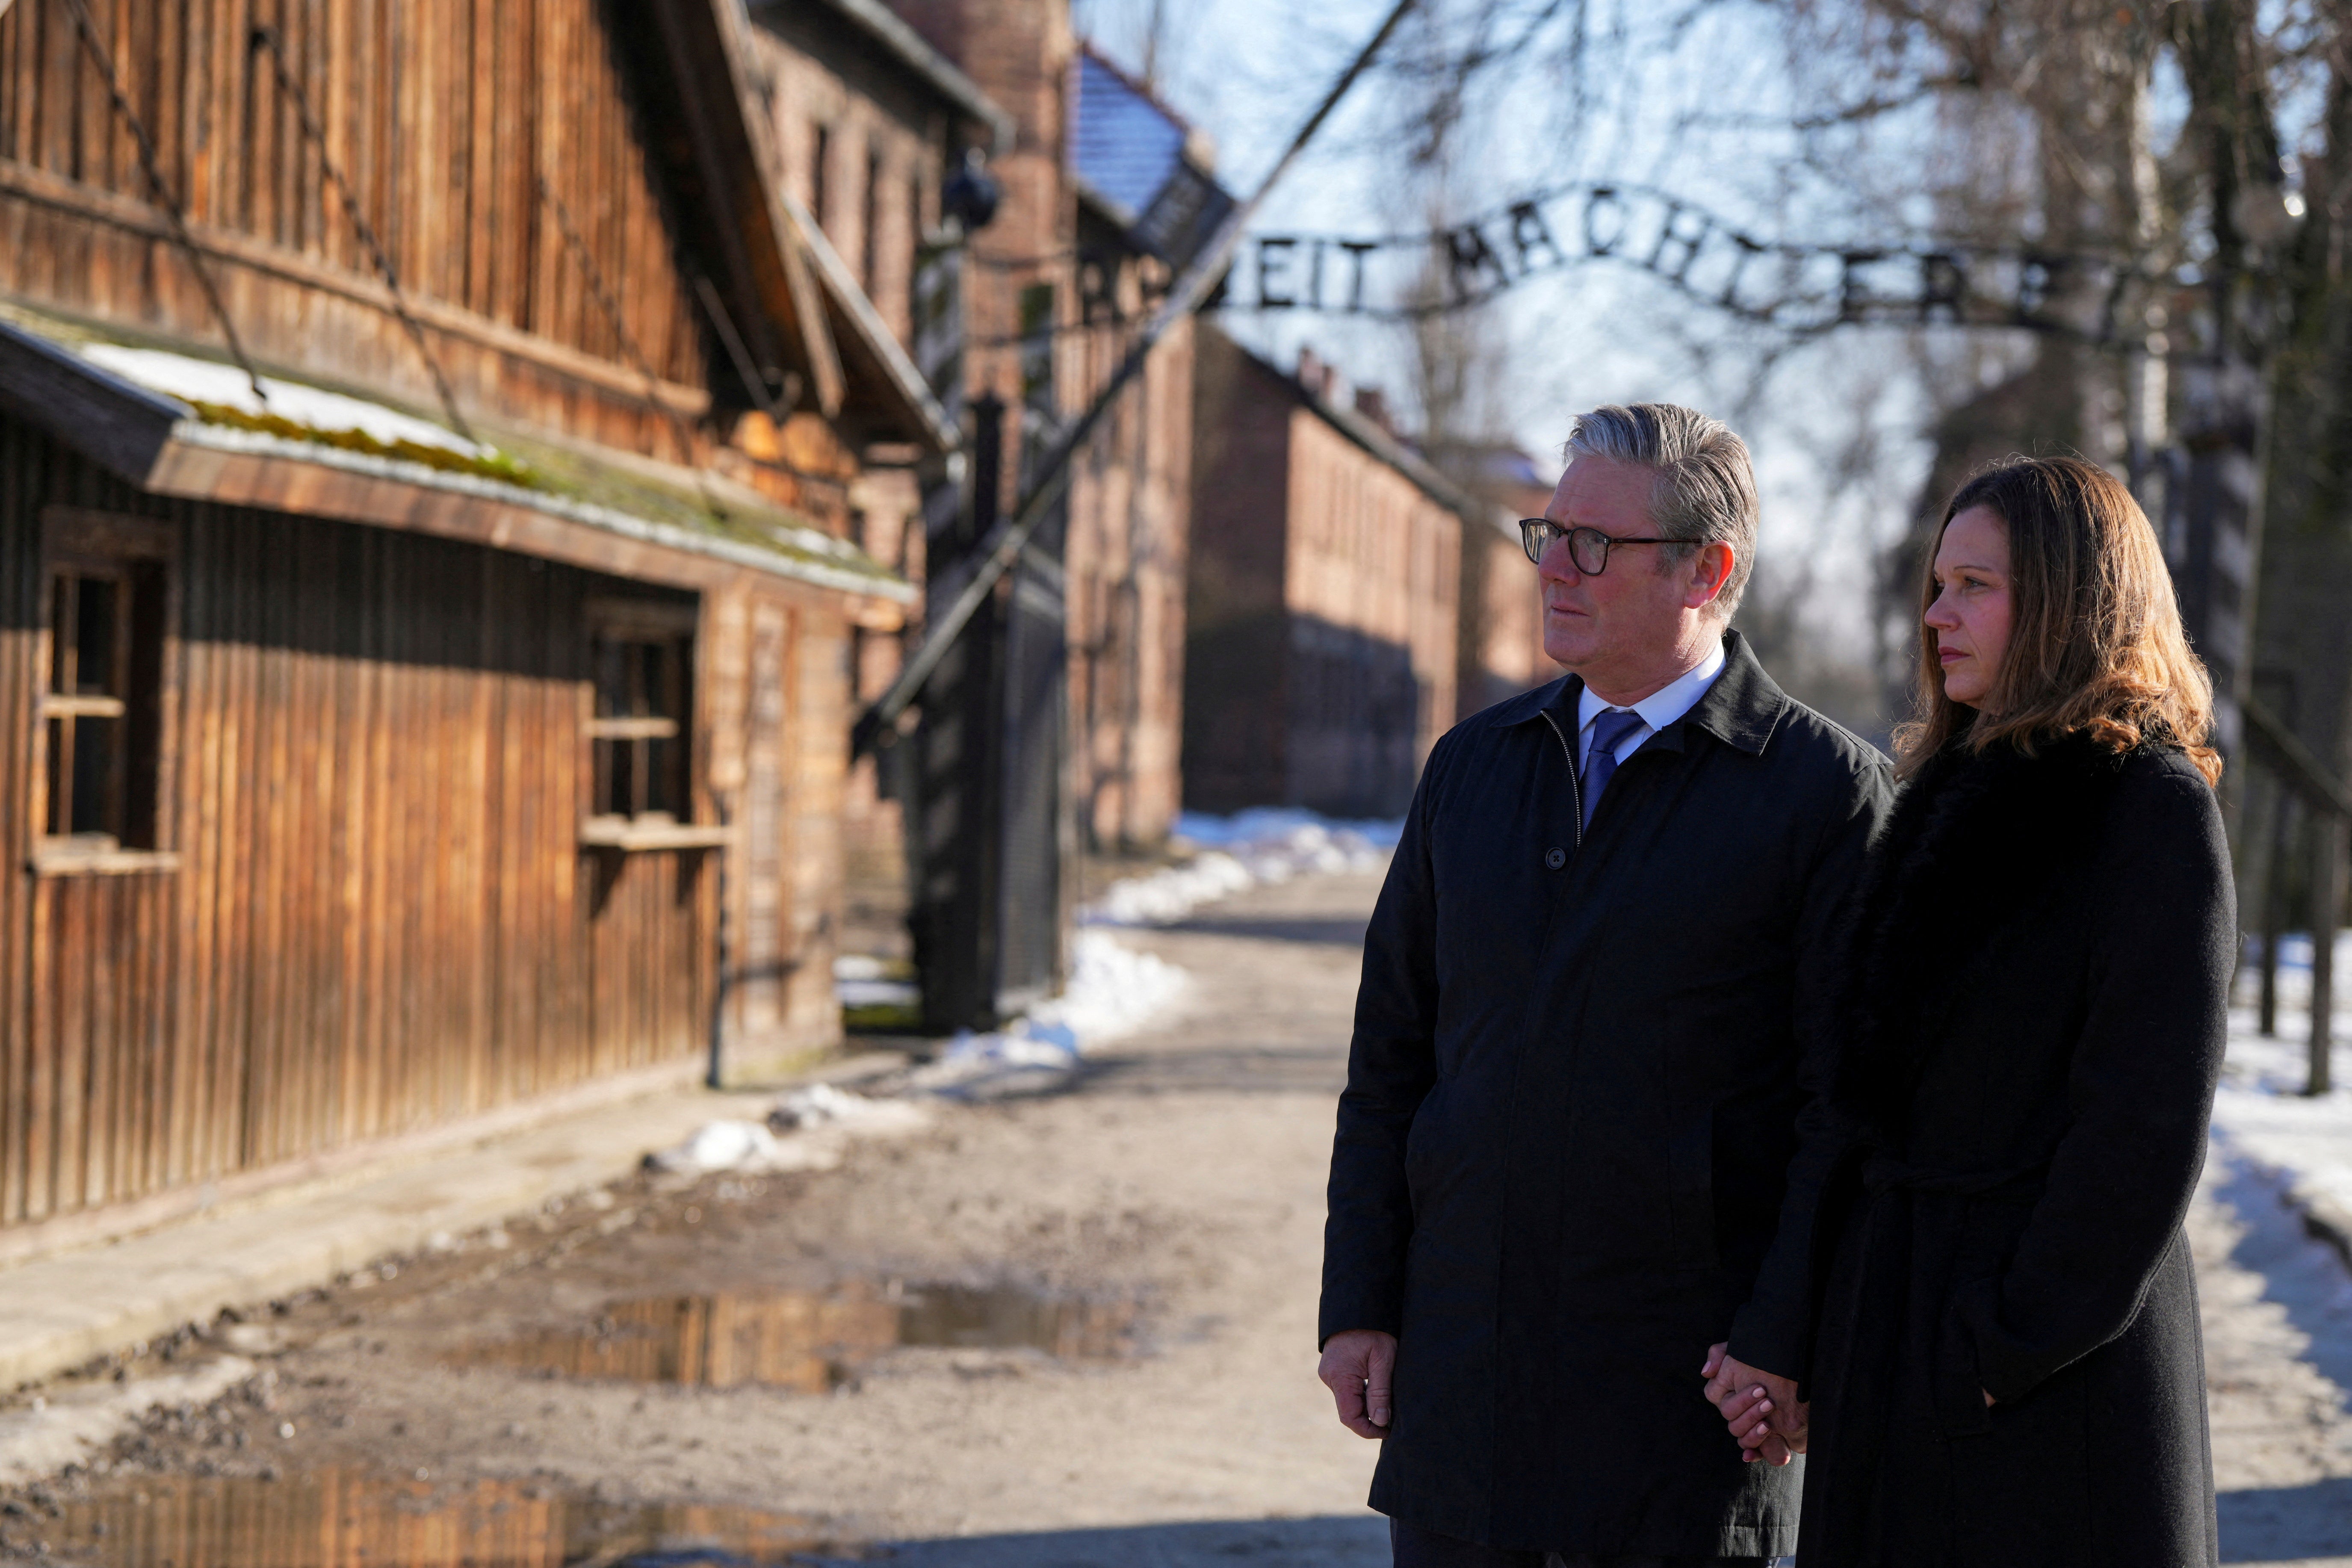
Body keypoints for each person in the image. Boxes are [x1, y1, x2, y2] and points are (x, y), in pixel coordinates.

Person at [1318, 403, 1893, 1567]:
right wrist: (1359, 1299)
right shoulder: (1472, 767)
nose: (1554, 569)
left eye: (1595, 543)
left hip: (1680, 1414)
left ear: (1705, 570)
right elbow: (1392, 1058)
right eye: (1549, 533)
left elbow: (1848, 1112)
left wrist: (1780, 1342)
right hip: (1463, 1391)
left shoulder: (1823, 797)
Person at [1703, 454, 2234, 1566]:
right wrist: (1808, 1332)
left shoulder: (2145, 808)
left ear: (2069, 598)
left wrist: (1999, 1346)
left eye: (1973, 585)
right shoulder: (1942, 795)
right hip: (1896, 1345)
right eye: (1936, 585)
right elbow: (1862, 1104)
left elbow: (2138, 1134)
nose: (1935, 614)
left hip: (2044, 1390)